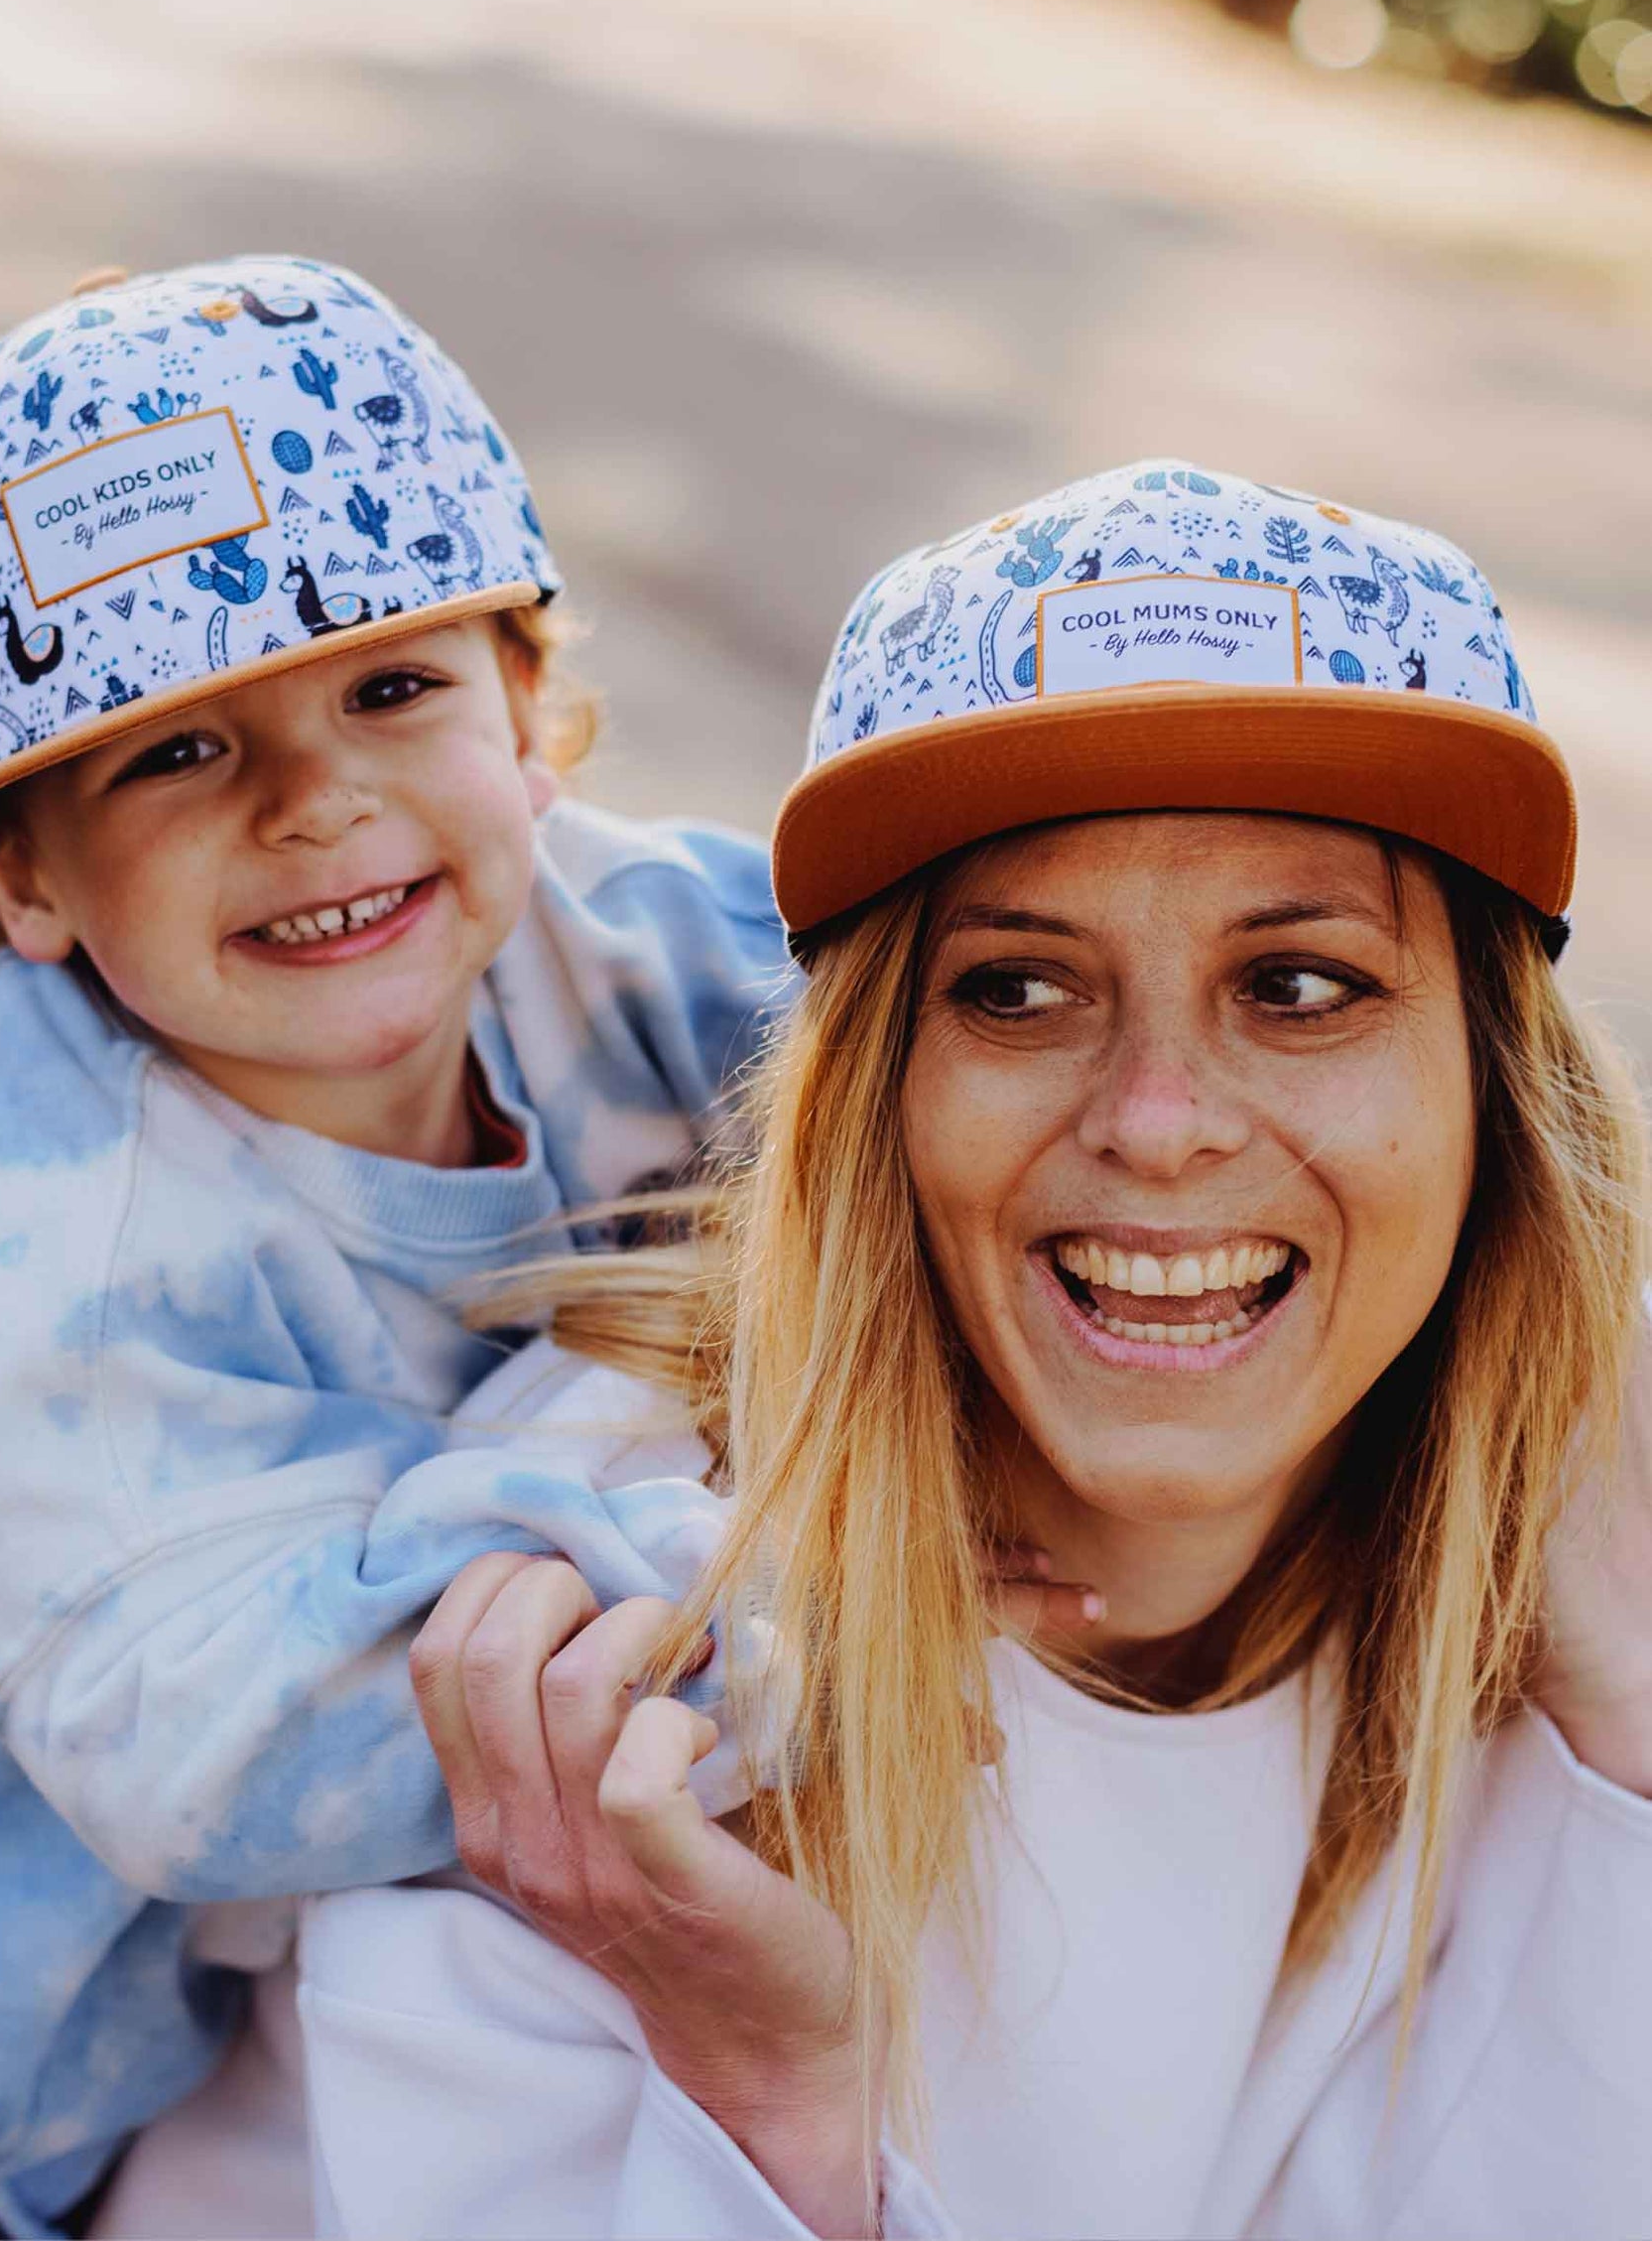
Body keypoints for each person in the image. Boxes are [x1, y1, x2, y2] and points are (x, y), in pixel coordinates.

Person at [299, 461, 1652, 2240]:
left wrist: (1625, 1755)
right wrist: (771, 2102)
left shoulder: (1571, 1594)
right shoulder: (604, 1626)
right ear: (873, 1097)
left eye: (1300, 985)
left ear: (1491, 1087)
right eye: (1016, 988)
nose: (1159, 1123)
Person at [0, 255, 791, 2239]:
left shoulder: (598, 919)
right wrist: (768, 1588)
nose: (319, 800)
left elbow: (883, 1044)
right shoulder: (68, 1269)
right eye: (174, 749)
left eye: (390, 684)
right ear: (23, 874)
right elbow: (229, 1764)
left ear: (531, 712)